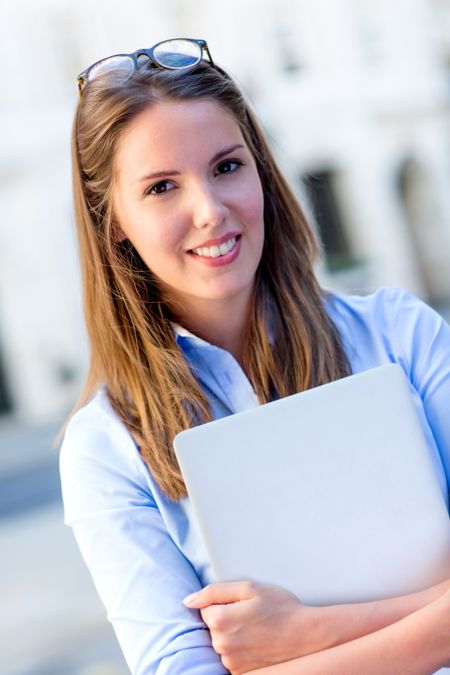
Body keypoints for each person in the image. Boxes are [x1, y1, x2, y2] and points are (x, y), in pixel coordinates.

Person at [59, 37, 450, 674]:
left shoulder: (400, 335)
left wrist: (306, 634)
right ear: (114, 221)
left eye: (227, 167)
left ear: (260, 171)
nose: (210, 212)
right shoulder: (106, 448)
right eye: (161, 187)